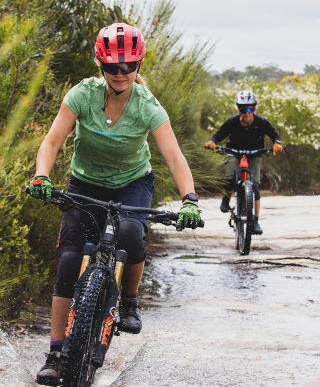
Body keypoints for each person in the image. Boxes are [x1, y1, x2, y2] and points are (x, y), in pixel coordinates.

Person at [28, 22, 201, 385]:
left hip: (132, 184)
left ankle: (131, 300)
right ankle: (56, 352)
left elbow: (174, 156)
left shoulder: (148, 106)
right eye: (112, 67)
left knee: (131, 234)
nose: (120, 74)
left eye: (128, 67)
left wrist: (190, 199)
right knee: (69, 261)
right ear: (100, 65)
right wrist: (42, 175)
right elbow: (52, 141)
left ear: (139, 66)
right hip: (85, 182)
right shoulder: (82, 95)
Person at [205, 90, 283, 235]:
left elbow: (274, 134)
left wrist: (277, 143)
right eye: (242, 108)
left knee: (255, 187)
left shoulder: (261, 122)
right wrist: (212, 142)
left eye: (249, 108)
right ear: (238, 108)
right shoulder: (232, 122)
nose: (246, 112)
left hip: (255, 154)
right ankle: (227, 196)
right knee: (229, 180)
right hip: (234, 152)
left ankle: (255, 221)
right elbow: (218, 135)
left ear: (254, 108)